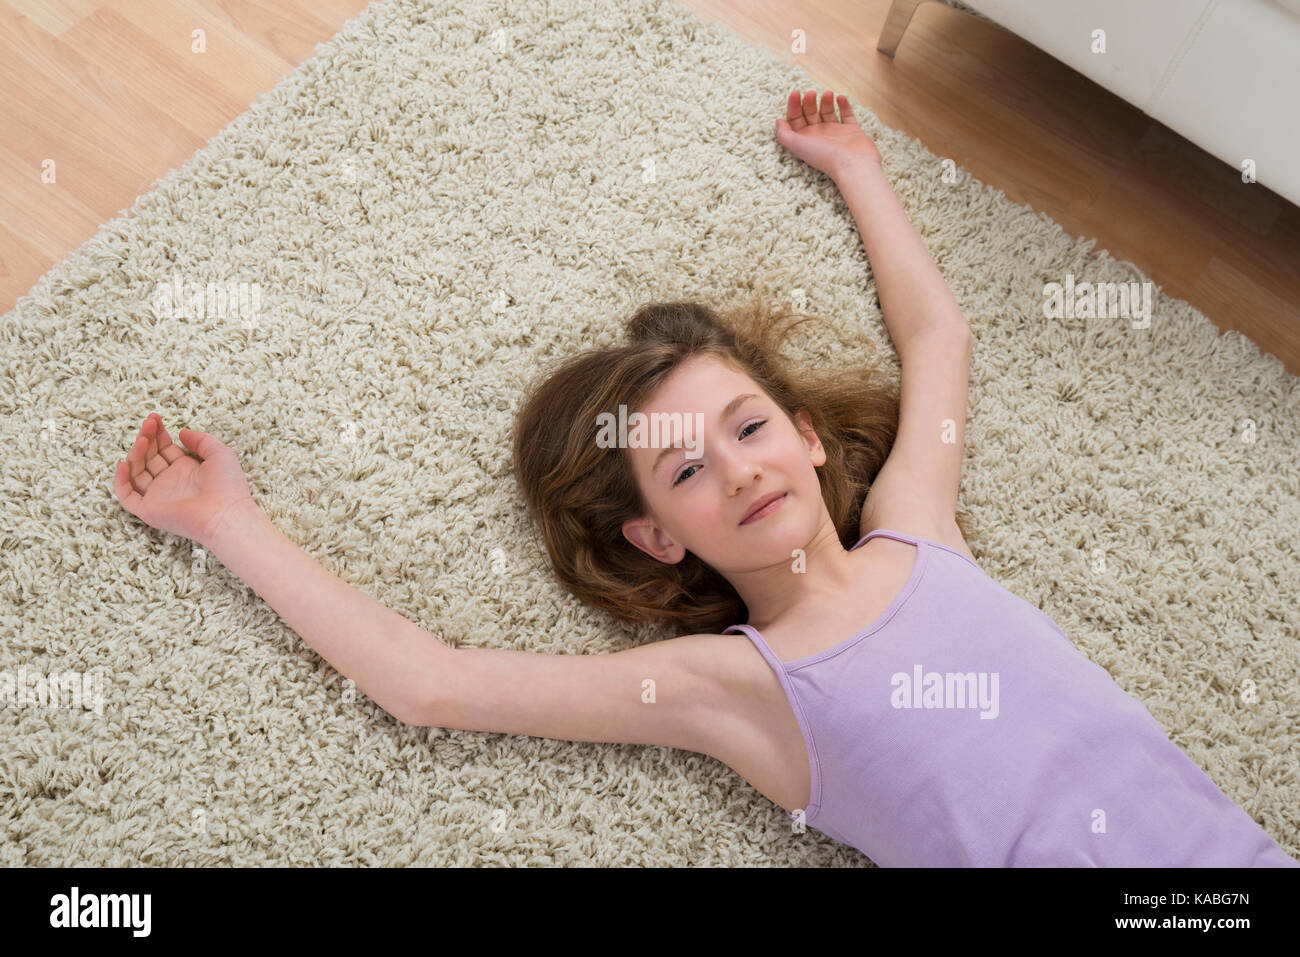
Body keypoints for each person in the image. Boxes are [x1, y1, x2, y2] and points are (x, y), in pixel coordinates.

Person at [114, 91, 1299, 866]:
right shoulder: (732, 686)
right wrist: (227, 521)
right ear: (659, 539)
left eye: (746, 428)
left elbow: (939, 338)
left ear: (808, 437)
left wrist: (855, 163)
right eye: (684, 469)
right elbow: (433, 684)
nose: (734, 470)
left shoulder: (915, 531)